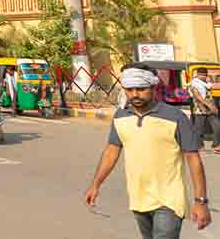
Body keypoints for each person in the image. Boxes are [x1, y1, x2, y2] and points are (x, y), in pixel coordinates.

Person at [86, 63, 211, 238]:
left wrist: (201, 201)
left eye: (141, 89)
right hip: (138, 199)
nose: (135, 94)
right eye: (129, 89)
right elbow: (111, 152)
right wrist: (95, 185)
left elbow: (194, 160)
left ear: (153, 87)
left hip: (169, 201)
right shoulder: (121, 116)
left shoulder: (175, 117)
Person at [190, 67, 220, 154]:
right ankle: (199, 146)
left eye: (205, 75)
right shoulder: (194, 84)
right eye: (202, 75)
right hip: (200, 109)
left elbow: (209, 96)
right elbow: (198, 97)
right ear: (198, 75)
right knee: (199, 129)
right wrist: (209, 106)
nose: (203, 77)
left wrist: (213, 106)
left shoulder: (206, 84)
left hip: (210, 109)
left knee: (218, 126)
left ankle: (216, 146)